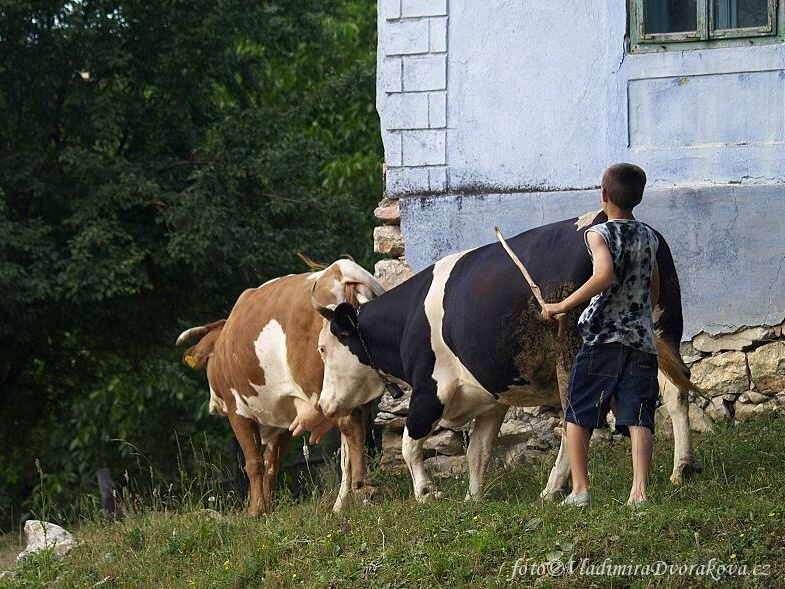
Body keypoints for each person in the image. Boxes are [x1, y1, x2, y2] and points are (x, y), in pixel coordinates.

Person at [542, 163, 660, 509]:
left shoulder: (599, 234)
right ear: (638, 198)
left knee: (578, 413)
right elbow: (652, 291)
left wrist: (563, 305)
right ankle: (639, 492)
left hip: (602, 340)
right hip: (640, 340)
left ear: (603, 195)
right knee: (639, 414)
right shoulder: (650, 236)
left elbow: (604, 275)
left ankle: (580, 490)